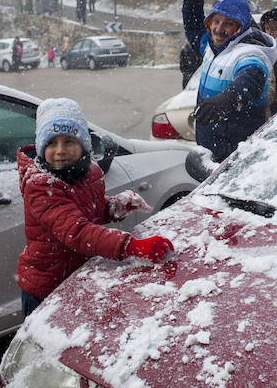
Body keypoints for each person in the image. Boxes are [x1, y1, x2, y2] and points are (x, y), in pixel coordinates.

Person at [16, 98, 175, 318]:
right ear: (42, 148)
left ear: (83, 144)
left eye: (69, 141)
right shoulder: (41, 186)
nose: (60, 150)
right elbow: (77, 231)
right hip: (46, 288)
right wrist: (131, 246)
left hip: (74, 278)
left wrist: (115, 206)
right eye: (51, 143)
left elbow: (87, 210)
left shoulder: (86, 172)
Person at [182, 0, 277, 162]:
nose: (219, 29)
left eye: (228, 24)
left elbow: (251, 78)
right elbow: (192, 27)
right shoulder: (211, 46)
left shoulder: (250, 53)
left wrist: (228, 98)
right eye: (216, 21)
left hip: (234, 153)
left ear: (240, 28)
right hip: (209, 147)